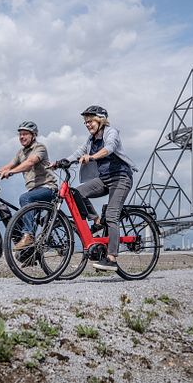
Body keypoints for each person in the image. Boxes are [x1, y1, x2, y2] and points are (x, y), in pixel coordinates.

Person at [57, 105, 137, 272]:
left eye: (90, 121)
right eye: (85, 122)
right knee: (78, 192)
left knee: (113, 215)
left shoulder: (111, 132)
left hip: (121, 178)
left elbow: (109, 148)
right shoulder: (90, 140)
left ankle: (112, 258)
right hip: (104, 179)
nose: (87, 124)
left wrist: (92, 157)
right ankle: (97, 221)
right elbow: (78, 153)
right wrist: (60, 162)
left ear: (101, 120)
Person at [0, 121, 57, 250]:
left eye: (25, 134)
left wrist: (12, 172)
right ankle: (29, 251)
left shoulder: (40, 148)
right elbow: (8, 165)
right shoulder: (20, 152)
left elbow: (30, 162)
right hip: (34, 192)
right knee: (17, 220)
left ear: (33, 135)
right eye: (20, 134)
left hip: (48, 188)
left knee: (24, 198)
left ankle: (29, 236)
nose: (22, 137)